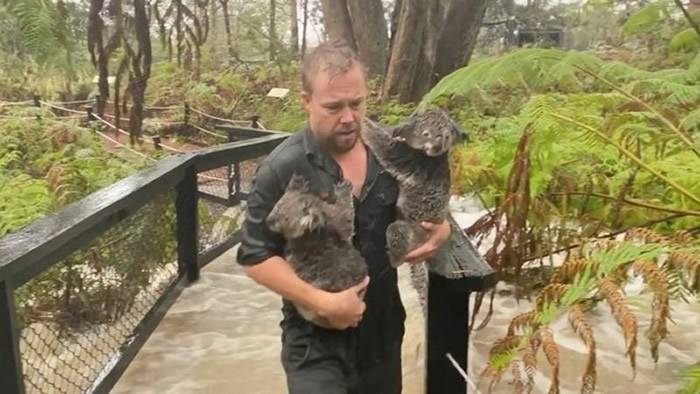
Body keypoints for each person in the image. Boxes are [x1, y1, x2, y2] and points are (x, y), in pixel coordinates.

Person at [236, 40, 451, 394]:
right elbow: (256, 256)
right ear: (306, 101)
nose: (349, 117)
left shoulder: (391, 154)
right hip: (314, 345)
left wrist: (440, 229)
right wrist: (323, 302)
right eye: (334, 106)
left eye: (357, 103)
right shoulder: (281, 168)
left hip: (383, 335)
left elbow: (428, 198)